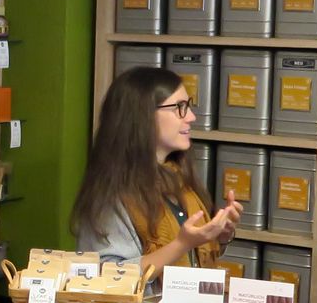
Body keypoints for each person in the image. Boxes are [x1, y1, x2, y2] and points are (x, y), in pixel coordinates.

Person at [71, 66, 240, 271]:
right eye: (179, 107)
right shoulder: (111, 195)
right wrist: (182, 244)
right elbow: (107, 274)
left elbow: (193, 258)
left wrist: (218, 236)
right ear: (142, 116)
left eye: (188, 105)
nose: (191, 117)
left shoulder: (178, 177)